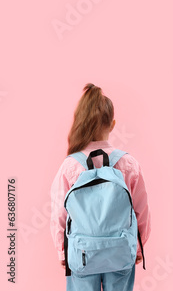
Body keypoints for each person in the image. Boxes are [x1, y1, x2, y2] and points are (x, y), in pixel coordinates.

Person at [50, 83, 151, 291]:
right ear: (112, 124)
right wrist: (138, 248)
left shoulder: (70, 165)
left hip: (81, 253)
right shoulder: (129, 164)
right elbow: (141, 211)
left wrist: (63, 251)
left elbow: (59, 214)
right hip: (121, 250)